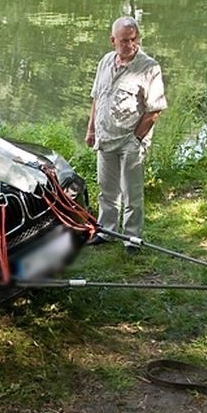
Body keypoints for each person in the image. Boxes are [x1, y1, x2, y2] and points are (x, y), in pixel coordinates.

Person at [85, 16, 167, 254]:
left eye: (133, 39)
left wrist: (136, 140)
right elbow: (97, 98)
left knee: (132, 194)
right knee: (107, 191)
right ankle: (106, 231)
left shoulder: (149, 67)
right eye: (123, 40)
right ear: (113, 40)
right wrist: (91, 129)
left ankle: (132, 240)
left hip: (130, 141)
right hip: (105, 138)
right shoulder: (105, 62)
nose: (129, 44)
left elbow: (155, 108)